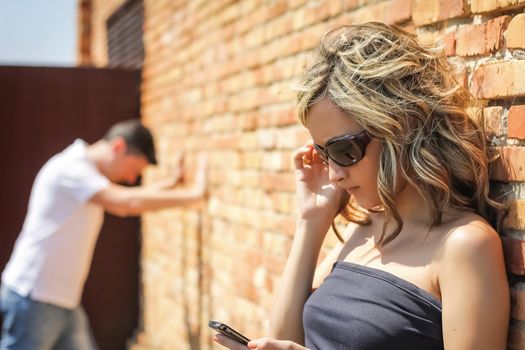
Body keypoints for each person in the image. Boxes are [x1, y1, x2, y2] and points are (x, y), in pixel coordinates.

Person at [214, 22, 509, 350]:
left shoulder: (464, 245)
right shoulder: (367, 228)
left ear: (401, 128)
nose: (333, 174)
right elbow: (285, 339)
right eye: (324, 154)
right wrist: (312, 221)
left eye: (344, 150)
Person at [0, 119, 206, 350]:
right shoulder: (72, 168)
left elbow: (126, 197)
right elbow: (126, 202)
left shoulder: (86, 173)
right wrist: (194, 195)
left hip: (61, 300)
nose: (131, 179)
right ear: (118, 147)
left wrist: (171, 184)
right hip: (34, 298)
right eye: (133, 170)